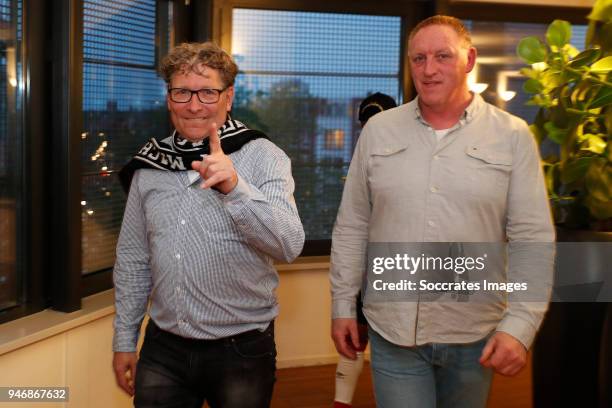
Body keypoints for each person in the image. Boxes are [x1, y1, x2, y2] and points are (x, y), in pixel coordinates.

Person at [330, 15, 554, 408]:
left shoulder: (512, 135)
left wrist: (521, 324)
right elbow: (352, 225)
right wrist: (343, 305)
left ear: (469, 59)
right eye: (418, 59)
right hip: (392, 329)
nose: (428, 69)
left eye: (442, 56)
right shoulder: (380, 131)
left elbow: (531, 237)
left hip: (474, 332)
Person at [112, 42, 305, 408]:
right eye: (182, 92)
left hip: (241, 350)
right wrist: (124, 340)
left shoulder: (264, 156)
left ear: (228, 97)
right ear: (169, 98)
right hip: (163, 348)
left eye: (207, 92)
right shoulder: (149, 166)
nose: (194, 105)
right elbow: (134, 260)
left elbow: (289, 244)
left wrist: (235, 188)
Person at [333, 92, 397, 408]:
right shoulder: (361, 161)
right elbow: (350, 226)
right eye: (366, 122)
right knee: (354, 338)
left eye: (379, 119)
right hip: (365, 270)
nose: (372, 128)